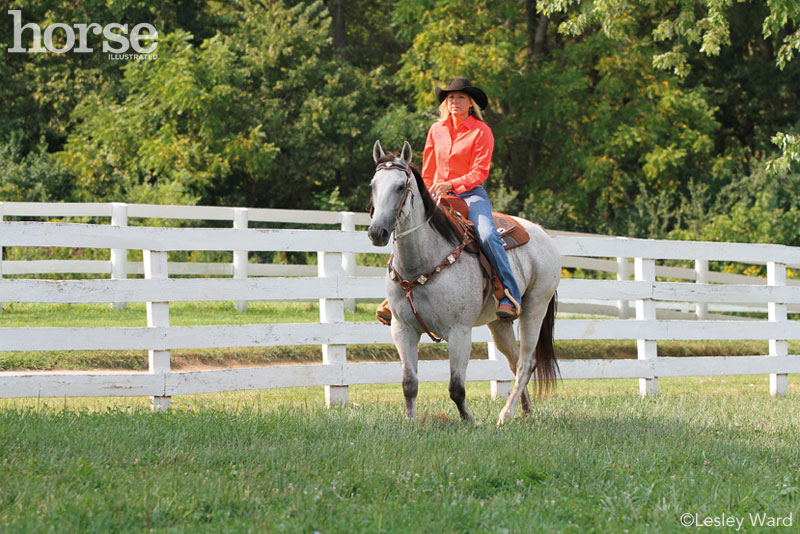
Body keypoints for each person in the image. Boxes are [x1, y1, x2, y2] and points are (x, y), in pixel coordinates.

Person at [376, 77, 521, 324]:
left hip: (470, 195)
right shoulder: (437, 130)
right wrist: (430, 191)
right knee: (408, 227)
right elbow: (429, 168)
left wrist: (452, 184)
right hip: (437, 194)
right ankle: (395, 295)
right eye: (451, 97)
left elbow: (480, 170)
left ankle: (507, 293)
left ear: (470, 103)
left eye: (461, 97)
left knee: (486, 234)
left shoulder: (481, 131)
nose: (455, 101)